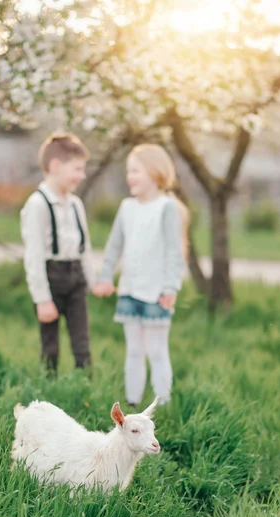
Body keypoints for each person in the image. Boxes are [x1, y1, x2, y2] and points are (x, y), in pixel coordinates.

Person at [93, 144, 188, 406]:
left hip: (156, 293)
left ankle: (162, 404)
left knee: (157, 351)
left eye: (135, 170)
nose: (129, 176)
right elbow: (114, 247)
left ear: (155, 172)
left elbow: (173, 251)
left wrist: (171, 287)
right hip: (129, 291)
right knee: (134, 351)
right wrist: (104, 277)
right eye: (128, 171)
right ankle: (133, 402)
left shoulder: (166, 208)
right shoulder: (126, 208)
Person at [20, 133, 96, 374]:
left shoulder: (75, 204)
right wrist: (42, 299)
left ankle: (85, 384)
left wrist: (92, 282)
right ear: (55, 166)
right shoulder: (38, 204)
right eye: (77, 169)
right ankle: (49, 386)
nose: (82, 176)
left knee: (82, 341)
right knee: (50, 344)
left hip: (75, 279)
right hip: (51, 278)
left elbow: (85, 247)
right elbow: (33, 256)